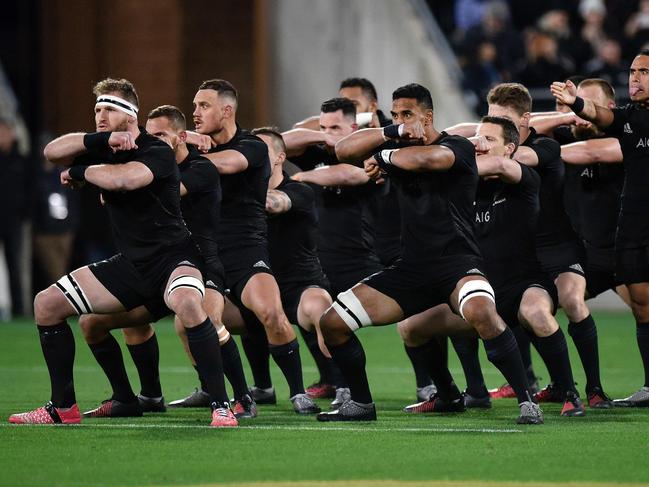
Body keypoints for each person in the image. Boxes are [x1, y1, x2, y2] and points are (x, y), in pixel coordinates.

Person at [8, 78, 236, 427]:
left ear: (131, 115)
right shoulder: (103, 146)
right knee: (47, 305)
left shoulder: (155, 148)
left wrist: (81, 170)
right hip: (133, 266)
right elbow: (51, 152)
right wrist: (98, 140)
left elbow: (126, 180)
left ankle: (221, 405)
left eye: (109, 108)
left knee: (190, 305)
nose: (100, 114)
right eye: (97, 108)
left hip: (174, 259)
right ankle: (65, 407)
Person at [318, 83, 542, 424]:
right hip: (411, 268)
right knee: (332, 323)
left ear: (428, 116)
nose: (401, 121)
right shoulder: (396, 141)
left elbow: (430, 159)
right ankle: (364, 404)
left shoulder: (456, 145)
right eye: (395, 115)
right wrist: (390, 132)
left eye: (407, 114)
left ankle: (527, 401)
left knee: (482, 312)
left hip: (458, 263)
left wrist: (382, 157)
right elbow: (343, 150)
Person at [78, 105, 256, 419]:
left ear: (181, 137)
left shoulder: (199, 169)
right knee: (98, 322)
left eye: (162, 135)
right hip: (158, 266)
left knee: (207, 319)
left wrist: (111, 178)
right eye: (151, 135)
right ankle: (143, 396)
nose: (154, 140)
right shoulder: (151, 166)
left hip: (201, 262)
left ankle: (242, 398)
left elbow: (152, 189)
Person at [180, 79, 318, 414]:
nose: (195, 113)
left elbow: (228, 165)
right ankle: (232, 393)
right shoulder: (196, 150)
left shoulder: (252, 146)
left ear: (227, 111)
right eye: (195, 105)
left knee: (271, 312)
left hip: (246, 250)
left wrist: (180, 151)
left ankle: (298, 392)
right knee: (190, 324)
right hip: (207, 252)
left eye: (204, 106)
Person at [552, 51, 649, 406]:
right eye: (633, 71)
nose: (635, 78)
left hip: (625, 238)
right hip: (631, 232)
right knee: (642, 307)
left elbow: (594, 149)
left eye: (644, 72)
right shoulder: (628, 119)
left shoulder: (611, 140)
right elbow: (600, 115)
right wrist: (575, 102)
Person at [283, 97, 383, 400]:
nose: (328, 133)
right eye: (323, 125)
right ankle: (335, 383)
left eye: (335, 127)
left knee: (412, 319)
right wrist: (322, 134)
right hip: (318, 260)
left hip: (360, 260)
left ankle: (427, 382)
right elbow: (282, 141)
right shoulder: (317, 151)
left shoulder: (366, 154)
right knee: (306, 313)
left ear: (354, 129)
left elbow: (354, 175)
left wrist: (303, 177)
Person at [250, 127, 342, 407]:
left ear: (279, 157)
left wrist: (241, 197)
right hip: (257, 283)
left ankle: (343, 385)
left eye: (260, 152)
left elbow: (277, 203)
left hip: (301, 285)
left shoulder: (299, 191)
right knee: (196, 315)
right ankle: (254, 388)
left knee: (321, 311)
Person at [0, 115, 30, 317]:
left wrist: (24, 215)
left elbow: (29, 191)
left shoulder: (21, 159)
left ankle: (19, 309)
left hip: (13, 222)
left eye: (5, 131)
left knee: (15, 265)